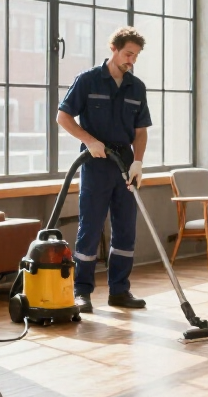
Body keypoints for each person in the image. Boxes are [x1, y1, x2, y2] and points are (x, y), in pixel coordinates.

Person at [57, 27, 151, 314]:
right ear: (114, 48)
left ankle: (120, 291)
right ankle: (81, 291)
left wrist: (139, 161)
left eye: (135, 56)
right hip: (96, 162)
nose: (131, 60)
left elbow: (141, 130)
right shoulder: (88, 80)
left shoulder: (137, 87)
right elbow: (63, 117)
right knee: (91, 227)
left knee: (126, 228)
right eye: (127, 54)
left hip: (124, 163)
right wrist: (89, 140)